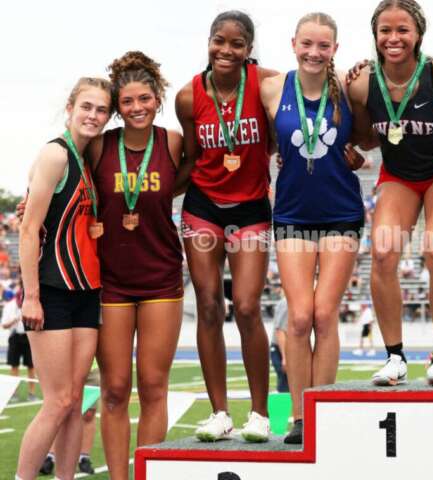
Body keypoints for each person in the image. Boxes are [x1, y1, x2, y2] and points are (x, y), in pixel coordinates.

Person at [348, 0, 433, 387]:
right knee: (382, 253)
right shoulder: (365, 82)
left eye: (403, 30)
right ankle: (394, 357)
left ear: (418, 34)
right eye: (386, 30)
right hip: (397, 175)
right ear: (375, 35)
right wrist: (347, 148)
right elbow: (366, 138)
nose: (393, 38)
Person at [260, 12, 366, 445]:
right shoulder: (272, 87)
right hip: (291, 214)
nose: (314, 52)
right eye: (307, 43)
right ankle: (302, 417)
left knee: (325, 314)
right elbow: (265, 140)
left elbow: (372, 136)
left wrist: (357, 152)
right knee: (299, 318)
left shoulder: (350, 91)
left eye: (324, 46)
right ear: (293, 44)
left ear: (335, 50)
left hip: (341, 213)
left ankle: (326, 410)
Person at [176, 10, 278, 442]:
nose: (227, 50)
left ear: (249, 49)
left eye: (237, 44)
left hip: (252, 206)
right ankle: (219, 413)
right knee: (208, 304)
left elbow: (293, 122)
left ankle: (259, 414)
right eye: (220, 40)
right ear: (210, 41)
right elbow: (191, 158)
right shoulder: (188, 96)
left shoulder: (268, 84)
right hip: (202, 206)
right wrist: (152, 196)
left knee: (249, 306)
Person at [91, 51, 184, 478]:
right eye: (127, 101)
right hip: (110, 281)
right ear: (117, 105)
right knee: (113, 390)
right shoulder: (99, 145)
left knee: (152, 386)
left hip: (161, 277)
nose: (136, 108)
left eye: (144, 98)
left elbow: (192, 180)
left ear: (157, 97)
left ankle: (149, 474)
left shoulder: (173, 142)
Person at [17, 77, 111, 480]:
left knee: (76, 400)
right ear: (71, 107)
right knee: (57, 401)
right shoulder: (56, 155)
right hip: (52, 292)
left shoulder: (89, 158)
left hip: (87, 294)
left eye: (102, 110)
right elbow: (28, 229)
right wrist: (31, 296)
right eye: (86, 106)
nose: (93, 115)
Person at [2, 286, 35, 401]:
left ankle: (31, 393)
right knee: (14, 365)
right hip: (15, 337)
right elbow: (4, 325)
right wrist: (15, 320)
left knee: (31, 366)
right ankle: (13, 393)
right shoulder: (10, 306)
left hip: (28, 336)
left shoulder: (30, 304)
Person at [270, 297, 289, 394]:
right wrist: (285, 357)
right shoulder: (286, 303)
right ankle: (284, 408)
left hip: (283, 349)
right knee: (285, 385)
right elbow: (280, 331)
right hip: (280, 349)